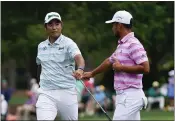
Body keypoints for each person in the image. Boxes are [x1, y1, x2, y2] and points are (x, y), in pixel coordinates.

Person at [82, 10, 150, 120]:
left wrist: (121, 68)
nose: (112, 28)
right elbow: (109, 61)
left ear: (119, 25)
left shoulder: (133, 44)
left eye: (114, 24)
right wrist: (92, 73)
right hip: (125, 96)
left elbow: (145, 68)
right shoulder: (122, 45)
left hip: (130, 96)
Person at [36, 12, 85, 120]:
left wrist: (80, 69)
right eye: (50, 24)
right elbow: (40, 66)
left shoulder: (69, 43)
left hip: (66, 91)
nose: (54, 27)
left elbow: (79, 58)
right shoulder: (41, 46)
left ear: (61, 26)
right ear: (45, 27)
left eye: (57, 24)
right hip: (46, 92)